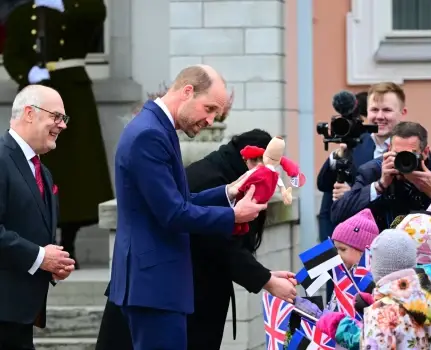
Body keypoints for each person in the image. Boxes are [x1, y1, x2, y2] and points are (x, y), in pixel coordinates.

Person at [109, 65, 268, 350]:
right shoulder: (150, 134)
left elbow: (179, 200)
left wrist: (228, 191)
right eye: (208, 109)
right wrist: (233, 215)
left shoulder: (157, 128)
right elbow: (172, 213)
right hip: (153, 285)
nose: (209, 120)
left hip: (157, 283)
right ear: (187, 92)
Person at [95, 129, 298, 350]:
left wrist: (265, 275)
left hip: (183, 291)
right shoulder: (209, 177)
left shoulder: (224, 174)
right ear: (250, 158)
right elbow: (221, 245)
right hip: (162, 292)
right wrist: (266, 280)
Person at [3, 0, 112, 269]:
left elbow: (97, 13)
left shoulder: (77, 6)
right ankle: (38, 238)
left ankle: (69, 240)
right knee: (36, 165)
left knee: (75, 172)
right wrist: (27, 72)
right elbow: (11, 53)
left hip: (72, 91)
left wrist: (63, 5)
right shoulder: (22, 15)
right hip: (37, 92)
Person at [0, 85, 75, 349]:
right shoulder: (1, 157)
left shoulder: (42, 170)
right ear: (30, 113)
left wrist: (52, 263)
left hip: (20, 315)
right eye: (56, 116)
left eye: (63, 119)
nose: (62, 125)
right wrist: (41, 257)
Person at [317, 229, 431, 349]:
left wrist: (340, 327)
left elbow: (372, 345)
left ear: (379, 267)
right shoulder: (427, 298)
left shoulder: (384, 313)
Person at [331, 121, 431, 230]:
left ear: (425, 152)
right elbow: (337, 214)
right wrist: (380, 185)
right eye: (397, 154)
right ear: (389, 150)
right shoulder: (373, 171)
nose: (403, 160)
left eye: (409, 155)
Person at [317, 83, 407, 242]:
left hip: (392, 241)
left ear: (403, 113)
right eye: (374, 110)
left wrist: (351, 197)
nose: (379, 116)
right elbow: (324, 187)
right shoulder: (353, 146)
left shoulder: (409, 148)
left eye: (386, 110)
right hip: (350, 244)